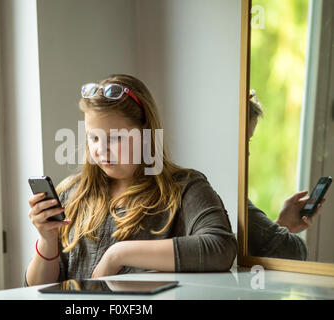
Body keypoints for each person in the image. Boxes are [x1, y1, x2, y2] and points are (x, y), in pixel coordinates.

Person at [24, 74, 237, 286]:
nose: (100, 149)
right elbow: (35, 289)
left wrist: (118, 254)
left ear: (146, 134)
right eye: (94, 137)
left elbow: (220, 248)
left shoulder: (185, 188)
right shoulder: (71, 194)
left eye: (115, 138)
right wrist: (47, 240)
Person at [247, 91, 325, 260]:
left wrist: (283, 225)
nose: (247, 153)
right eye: (245, 140)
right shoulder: (223, 194)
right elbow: (291, 250)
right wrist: (280, 233)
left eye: (249, 142)